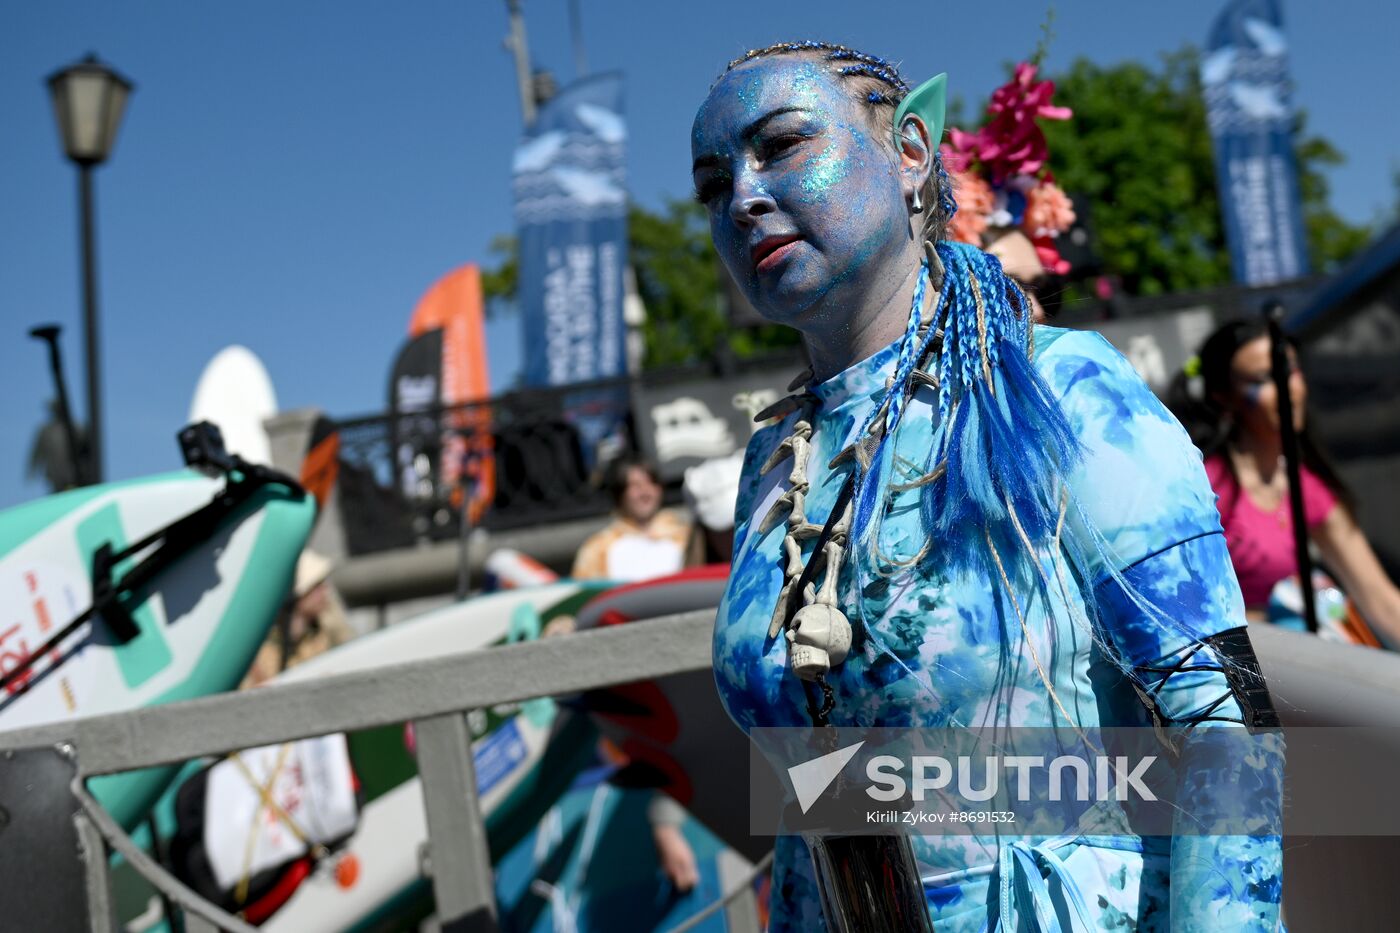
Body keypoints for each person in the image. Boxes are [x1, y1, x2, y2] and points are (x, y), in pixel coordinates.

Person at [692, 42, 1282, 931]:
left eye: (781, 146)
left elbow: (1224, 721)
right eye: (711, 184)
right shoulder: (775, 460)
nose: (742, 196)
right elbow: (804, 810)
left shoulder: (1060, 390)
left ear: (911, 153)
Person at [1185, 318, 1400, 642]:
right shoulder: (1204, 487)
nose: (1288, 387)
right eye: (1265, 378)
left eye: (1291, 370)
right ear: (1223, 397)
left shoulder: (1305, 485)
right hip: (1241, 667)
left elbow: (1380, 599)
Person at [241, 550, 352, 688]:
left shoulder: (320, 634)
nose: (325, 591)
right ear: (298, 595)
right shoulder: (261, 649)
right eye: (317, 586)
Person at [570, 456, 691, 582]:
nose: (645, 492)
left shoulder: (687, 537)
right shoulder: (597, 549)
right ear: (619, 494)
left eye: (651, 483)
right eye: (635, 485)